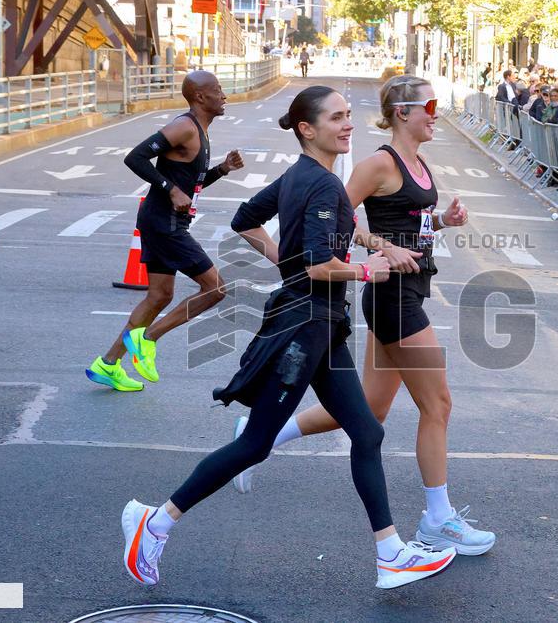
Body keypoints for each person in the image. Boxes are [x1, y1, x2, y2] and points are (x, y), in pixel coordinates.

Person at [120, 85, 456, 590]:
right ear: (307, 129)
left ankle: (390, 553)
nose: (348, 126)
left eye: (348, 116)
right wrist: (365, 273)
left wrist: (286, 261)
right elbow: (322, 265)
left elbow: (244, 220)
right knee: (256, 443)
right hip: (303, 328)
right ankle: (155, 519)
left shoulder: (303, 176)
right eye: (337, 119)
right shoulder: (320, 184)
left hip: (324, 328)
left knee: (367, 432)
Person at [229, 75, 496, 556]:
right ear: (402, 112)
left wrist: (441, 221)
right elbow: (340, 215)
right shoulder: (379, 162)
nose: (436, 114)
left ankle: (257, 438)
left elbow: (407, 219)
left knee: (368, 412)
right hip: (393, 297)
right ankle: (438, 519)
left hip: (411, 286)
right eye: (429, 105)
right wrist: (380, 247)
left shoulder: (418, 162)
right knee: (438, 406)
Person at [85, 71, 244, 391]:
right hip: (165, 224)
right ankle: (148, 339)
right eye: (218, 90)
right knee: (215, 290)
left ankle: (108, 364)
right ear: (200, 97)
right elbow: (136, 157)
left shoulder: (199, 131)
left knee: (160, 295)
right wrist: (169, 189)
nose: (224, 96)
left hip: (164, 222)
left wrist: (222, 170)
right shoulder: (185, 126)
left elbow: (191, 184)